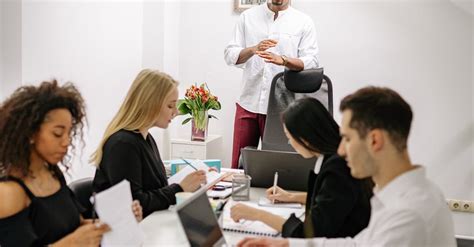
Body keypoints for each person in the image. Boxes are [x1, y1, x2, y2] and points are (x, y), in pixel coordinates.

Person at [237, 87, 456, 247]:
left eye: (348, 139)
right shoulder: (410, 196)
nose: (341, 150)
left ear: (374, 141)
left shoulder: (407, 216)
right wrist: (285, 245)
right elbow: (357, 245)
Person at [230, 97, 372, 238]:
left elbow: (308, 232)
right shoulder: (331, 160)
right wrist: (290, 196)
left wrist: (257, 214)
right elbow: (331, 201)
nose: (289, 142)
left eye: (289, 136)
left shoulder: (337, 169)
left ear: (305, 137)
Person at [0, 81, 115, 246]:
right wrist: (73, 243)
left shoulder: (53, 173)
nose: (66, 142)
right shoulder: (9, 192)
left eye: (69, 133)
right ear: (30, 133)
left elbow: (78, 225)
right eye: (58, 133)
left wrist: (116, 222)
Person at [91, 69, 207, 218]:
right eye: (170, 106)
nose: (176, 112)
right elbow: (136, 204)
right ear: (150, 104)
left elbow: (155, 188)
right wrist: (180, 188)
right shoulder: (123, 144)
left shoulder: (146, 138)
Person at [224, 0, 319, 168]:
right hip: (248, 103)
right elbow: (230, 54)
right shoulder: (248, 17)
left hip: (281, 106)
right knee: (239, 166)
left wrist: (284, 60)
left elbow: (311, 61)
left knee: (279, 168)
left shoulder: (303, 21)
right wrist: (253, 49)